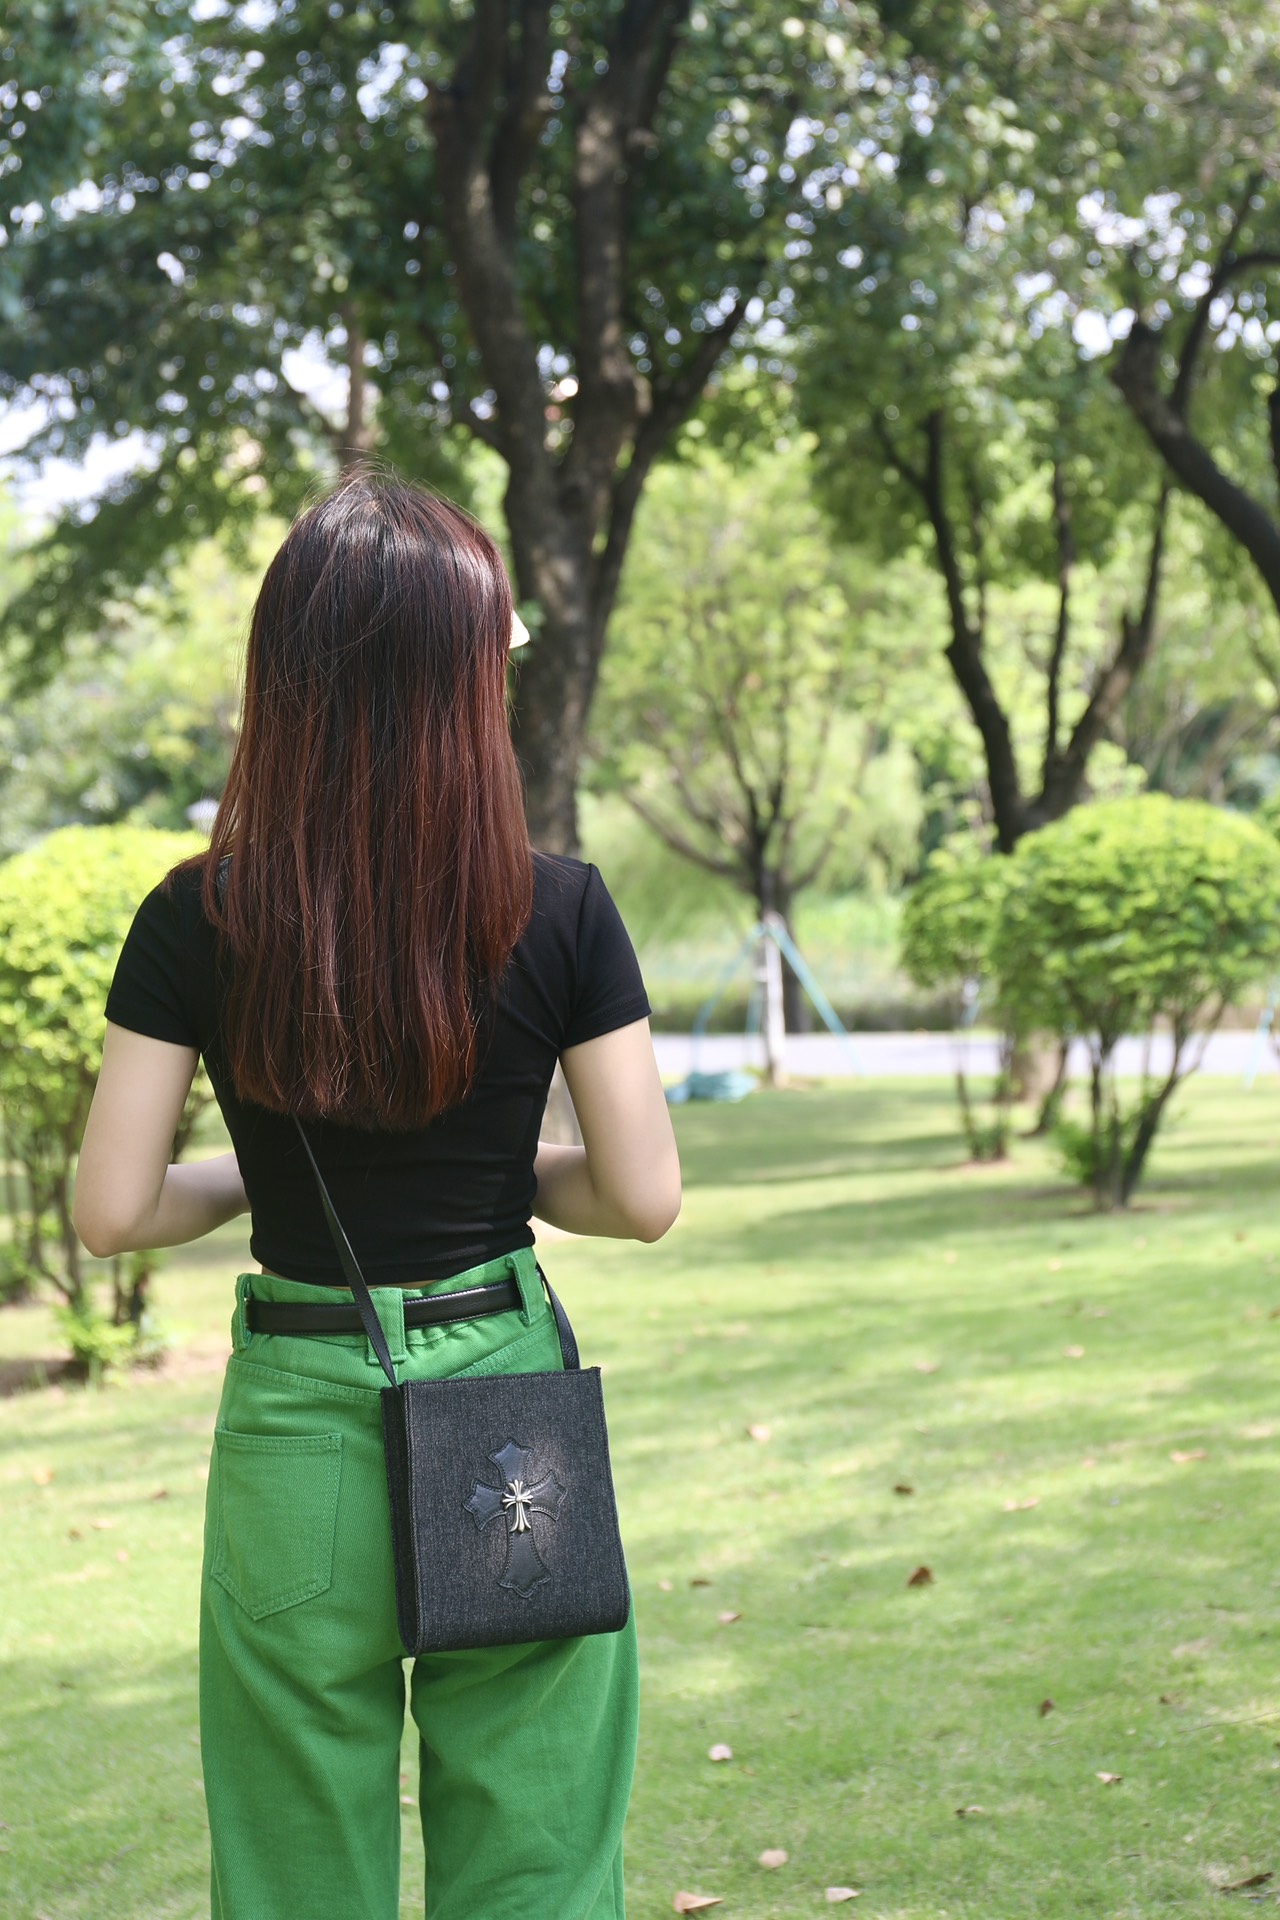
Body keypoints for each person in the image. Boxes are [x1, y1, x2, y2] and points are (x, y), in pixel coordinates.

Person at [73, 471, 682, 1920]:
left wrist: (259, 1174)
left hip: (297, 1412)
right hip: (504, 1404)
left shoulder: (193, 915)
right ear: (464, 682)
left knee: (296, 1863)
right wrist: (497, 1170)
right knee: (537, 1849)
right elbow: (641, 1195)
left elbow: (112, 1211)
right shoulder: (561, 906)